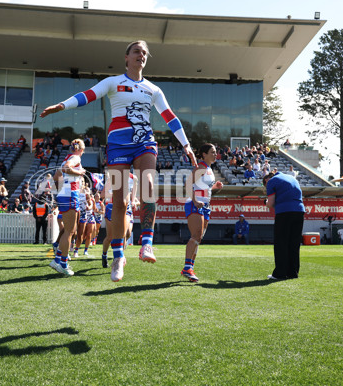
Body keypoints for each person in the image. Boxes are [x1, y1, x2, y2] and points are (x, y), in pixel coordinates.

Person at [40, 40, 197, 282]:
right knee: (120, 201)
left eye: (144, 53)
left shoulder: (153, 89)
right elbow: (87, 95)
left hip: (145, 141)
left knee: (147, 187)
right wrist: (62, 105)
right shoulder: (113, 82)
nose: (141, 55)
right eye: (136, 51)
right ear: (126, 57)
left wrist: (186, 144)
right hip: (117, 144)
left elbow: (169, 117)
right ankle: (118, 257)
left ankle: (146, 244)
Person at [182, 144, 223, 282]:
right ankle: (187, 268)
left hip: (205, 206)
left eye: (216, 152)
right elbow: (187, 184)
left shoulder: (209, 169)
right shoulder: (200, 167)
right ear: (204, 154)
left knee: (199, 239)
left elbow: (204, 188)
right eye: (212, 152)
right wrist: (194, 201)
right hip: (195, 204)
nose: (215, 154)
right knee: (195, 236)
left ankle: (190, 268)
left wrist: (215, 187)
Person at [47, 139, 86, 276]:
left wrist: (61, 191)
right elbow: (66, 169)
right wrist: (79, 173)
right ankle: (62, 263)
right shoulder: (75, 158)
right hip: (70, 195)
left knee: (70, 230)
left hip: (65, 194)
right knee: (69, 231)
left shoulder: (66, 158)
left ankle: (58, 259)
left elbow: (57, 176)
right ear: (82, 149)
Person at [264, 171, 305, 280]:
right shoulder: (292, 178)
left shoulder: (272, 182)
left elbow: (271, 203)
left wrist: (265, 202)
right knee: (294, 244)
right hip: (299, 211)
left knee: (281, 243)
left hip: (284, 212)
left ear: (268, 179)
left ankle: (280, 273)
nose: (266, 186)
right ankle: (293, 273)